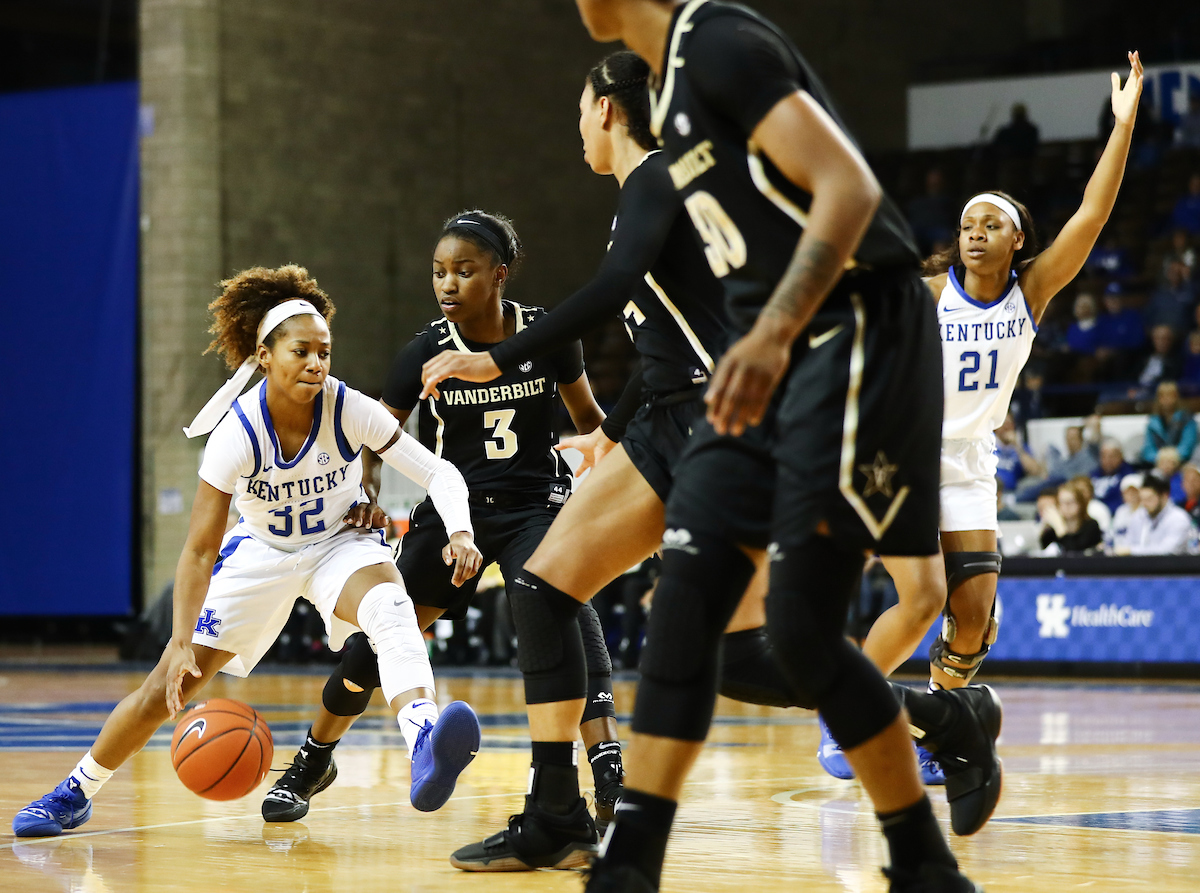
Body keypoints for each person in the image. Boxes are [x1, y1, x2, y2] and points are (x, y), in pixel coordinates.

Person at [571, 4, 1016, 892]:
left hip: (858, 334)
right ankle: (630, 870)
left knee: (805, 632)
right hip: (768, 354)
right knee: (699, 614)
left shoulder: (722, 43)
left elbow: (848, 192)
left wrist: (772, 332)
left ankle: (923, 851)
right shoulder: (671, 99)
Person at [419, 52, 810, 872]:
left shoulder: (659, 180)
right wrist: (609, 430)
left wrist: (500, 358)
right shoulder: (646, 194)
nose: (578, 129)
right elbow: (664, 346)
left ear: (605, 107)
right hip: (669, 417)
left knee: (739, 657)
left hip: (722, 427)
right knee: (542, 585)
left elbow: (611, 287)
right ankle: (555, 811)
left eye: (578, 112)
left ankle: (932, 714)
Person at [13, 265, 485, 837]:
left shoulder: (348, 406)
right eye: (301, 351)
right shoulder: (235, 434)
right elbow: (197, 549)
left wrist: (460, 529)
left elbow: (438, 473)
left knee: (391, 609)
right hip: (261, 553)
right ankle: (77, 791)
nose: (317, 363)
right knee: (169, 685)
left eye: (325, 352)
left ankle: (425, 742)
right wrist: (182, 638)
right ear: (265, 356)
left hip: (339, 542)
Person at [256, 213, 626, 828]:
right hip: (455, 511)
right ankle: (314, 758)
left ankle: (609, 769)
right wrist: (365, 491)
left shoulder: (545, 336)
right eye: (438, 273)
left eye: (463, 270)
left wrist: (620, 477)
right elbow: (374, 438)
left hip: (535, 502)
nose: (447, 284)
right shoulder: (424, 352)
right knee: (385, 632)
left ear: (499, 275)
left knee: (565, 603)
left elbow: (589, 417)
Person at [840, 49, 1141, 777]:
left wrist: (1121, 126)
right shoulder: (928, 288)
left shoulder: (1030, 292)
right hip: (903, 453)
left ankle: (938, 731)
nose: (974, 231)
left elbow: (1094, 213)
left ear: (1018, 241)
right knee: (923, 599)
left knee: (972, 623)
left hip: (970, 460)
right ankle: (845, 718)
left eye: (990, 224)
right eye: (967, 222)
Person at [1118, 472, 1195, 554]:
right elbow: (1126, 545)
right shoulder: (1138, 516)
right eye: (1142, 499)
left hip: (1172, 566)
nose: (1145, 504)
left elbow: (1167, 551)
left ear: (1164, 496)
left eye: (1149, 499)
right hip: (1138, 566)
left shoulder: (1179, 518)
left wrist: (1131, 550)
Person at [1142, 380, 1197, 464]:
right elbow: (1148, 450)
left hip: (1183, 464)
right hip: (1158, 465)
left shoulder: (1187, 419)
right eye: (1162, 396)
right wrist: (1161, 459)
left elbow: (1187, 447)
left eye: (1170, 395)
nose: (1166, 399)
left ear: (1176, 397)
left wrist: (1171, 459)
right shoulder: (1152, 422)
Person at [1040, 482, 1103, 553]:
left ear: (1080, 504)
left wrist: (1060, 529)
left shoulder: (1091, 526)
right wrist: (1045, 527)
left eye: (1070, 502)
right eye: (1062, 502)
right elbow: (1043, 549)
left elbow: (1074, 553)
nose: (1066, 506)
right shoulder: (1053, 529)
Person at [1092, 436, 1134, 513]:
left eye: (1111, 456)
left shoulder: (1128, 476)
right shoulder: (1094, 474)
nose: (1107, 460)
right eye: (1104, 456)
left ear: (1120, 456)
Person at [1107, 473, 1142, 550]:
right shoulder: (1121, 511)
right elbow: (1113, 534)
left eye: (1135, 491)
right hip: (1118, 553)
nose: (1131, 495)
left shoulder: (1146, 511)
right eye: (1128, 492)